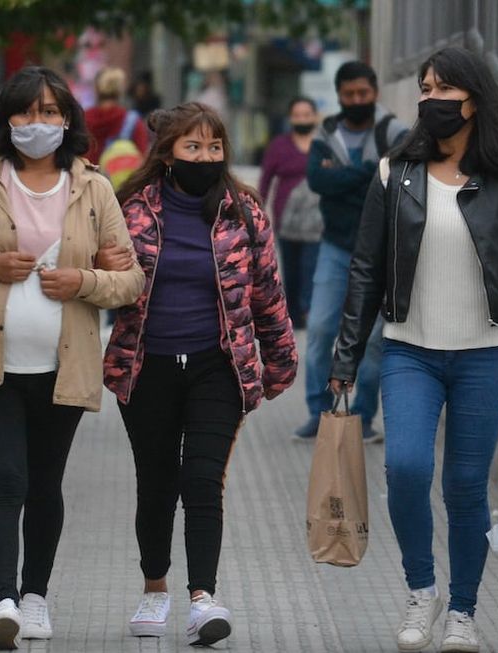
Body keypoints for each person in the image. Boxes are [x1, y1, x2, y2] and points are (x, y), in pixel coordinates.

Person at [328, 47, 498, 653]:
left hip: (488, 354)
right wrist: (346, 360)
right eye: (424, 87)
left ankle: (462, 610)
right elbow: (365, 270)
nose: (428, 98)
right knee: (406, 468)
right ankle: (421, 591)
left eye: (442, 88)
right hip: (410, 350)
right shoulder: (395, 173)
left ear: (474, 98)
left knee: (465, 486)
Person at [0, 66, 144, 650]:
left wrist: (82, 281)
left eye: (49, 112)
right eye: (25, 111)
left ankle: (36, 595)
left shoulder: (93, 188)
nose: (37, 123)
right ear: (6, 119)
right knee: (5, 479)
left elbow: (130, 281)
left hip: (63, 367)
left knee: (44, 483)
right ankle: (4, 601)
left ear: (67, 120)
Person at [103, 102, 297, 647]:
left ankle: (202, 599)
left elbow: (267, 291)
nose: (205, 157)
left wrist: (280, 361)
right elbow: (104, 283)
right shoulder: (131, 210)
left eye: (214, 148)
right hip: (146, 367)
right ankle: (154, 588)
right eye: (193, 147)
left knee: (202, 478)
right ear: (167, 153)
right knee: (157, 480)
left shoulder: (244, 210)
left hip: (220, 366)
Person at [296, 61, 407, 441]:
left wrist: (343, 178)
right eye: (349, 95)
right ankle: (319, 411)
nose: (356, 100)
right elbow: (318, 180)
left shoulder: (395, 131)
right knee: (321, 329)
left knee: (375, 339)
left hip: (382, 252)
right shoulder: (327, 132)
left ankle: (363, 416)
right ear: (340, 95)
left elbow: (400, 184)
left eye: (363, 93)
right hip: (335, 246)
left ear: (374, 91)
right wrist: (368, 171)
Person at [258, 96, 320, 328]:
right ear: (290, 118)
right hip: (287, 220)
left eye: (306, 114)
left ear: (314, 117)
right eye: (297, 115)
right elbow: (265, 180)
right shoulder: (279, 146)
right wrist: (258, 210)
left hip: (318, 221)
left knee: (311, 267)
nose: (302, 119)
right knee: (292, 269)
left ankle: (308, 310)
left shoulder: (325, 144)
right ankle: (293, 313)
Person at [83, 66, 149, 165]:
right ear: (120, 91)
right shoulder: (132, 122)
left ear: (96, 89)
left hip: (87, 178)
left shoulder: (82, 119)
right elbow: (142, 158)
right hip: (120, 179)